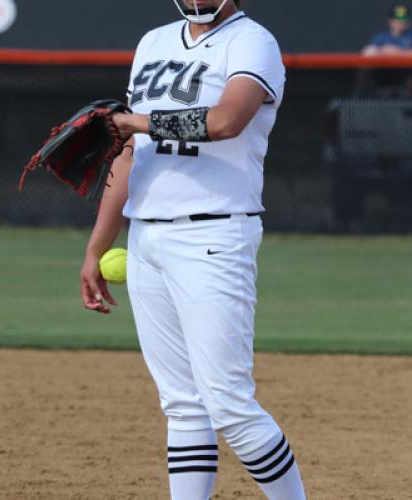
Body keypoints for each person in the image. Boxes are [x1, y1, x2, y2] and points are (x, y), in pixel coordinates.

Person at [79, 1, 307, 499]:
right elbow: (129, 151)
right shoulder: (153, 42)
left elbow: (227, 121)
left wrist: (136, 123)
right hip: (146, 238)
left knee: (229, 404)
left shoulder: (252, 42)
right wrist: (98, 247)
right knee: (182, 404)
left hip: (214, 233)